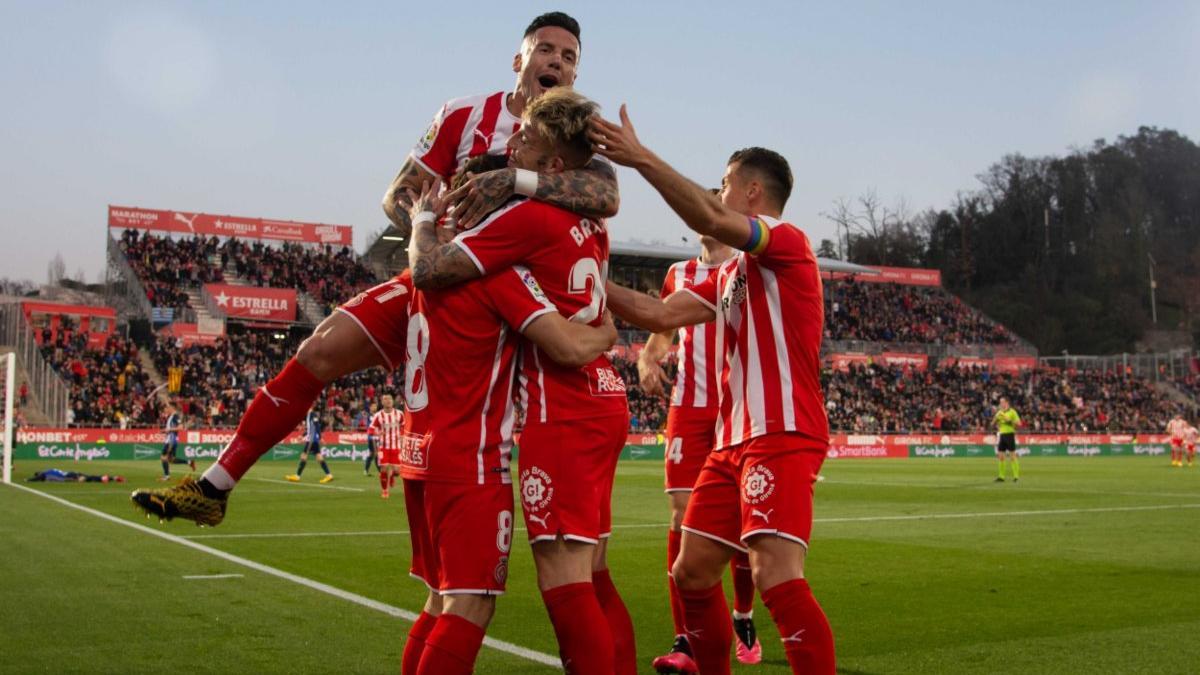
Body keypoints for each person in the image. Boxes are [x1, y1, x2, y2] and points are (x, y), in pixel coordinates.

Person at [132, 10, 617, 527]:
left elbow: (605, 193)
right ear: (520, 59)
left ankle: (493, 576)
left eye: (569, 58)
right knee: (318, 349)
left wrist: (514, 182)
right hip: (442, 274)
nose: (556, 63)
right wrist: (427, 226)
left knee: (468, 448)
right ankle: (215, 485)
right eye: (546, 50)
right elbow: (399, 193)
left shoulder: (575, 131)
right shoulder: (464, 115)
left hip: (515, 295)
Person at [590, 106, 836, 674]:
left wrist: (641, 157)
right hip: (730, 442)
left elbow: (709, 217)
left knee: (776, 573)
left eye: (725, 183)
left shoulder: (787, 242)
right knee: (692, 570)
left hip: (782, 430)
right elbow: (656, 311)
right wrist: (582, 274)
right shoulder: (728, 277)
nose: (718, 192)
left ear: (752, 191)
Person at [407, 89, 636, 674]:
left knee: (564, 579)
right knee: (593, 571)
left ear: (554, 165)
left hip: (560, 405)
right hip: (603, 396)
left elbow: (430, 271)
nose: (513, 141)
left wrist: (424, 220)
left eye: (527, 137)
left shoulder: (528, 215)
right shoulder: (585, 214)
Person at [638, 232, 762, 666]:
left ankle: (743, 615)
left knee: (744, 524)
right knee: (680, 513)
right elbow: (663, 331)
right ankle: (685, 639)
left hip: (738, 406)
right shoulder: (679, 274)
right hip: (688, 407)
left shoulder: (748, 269)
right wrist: (648, 359)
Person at [286, 405, 333, 483]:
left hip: (312, 439)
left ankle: (297, 476)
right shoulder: (308, 415)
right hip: (313, 439)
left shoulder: (313, 415)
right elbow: (309, 429)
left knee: (304, 456)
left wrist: (320, 437)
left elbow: (317, 426)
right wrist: (302, 435)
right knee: (318, 457)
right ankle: (329, 475)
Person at [368, 395, 402, 498]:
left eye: (390, 399)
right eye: (385, 400)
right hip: (383, 445)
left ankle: (391, 475)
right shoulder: (378, 415)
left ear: (393, 401)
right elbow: (370, 430)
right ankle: (385, 490)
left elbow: (405, 424)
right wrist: (377, 433)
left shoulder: (399, 414)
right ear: (382, 403)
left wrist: (403, 435)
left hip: (396, 445)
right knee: (383, 468)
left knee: (397, 471)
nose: (388, 401)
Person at [158, 404, 195, 481]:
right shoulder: (171, 417)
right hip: (171, 439)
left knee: (163, 457)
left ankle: (166, 476)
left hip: (171, 440)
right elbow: (172, 429)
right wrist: (165, 431)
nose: (165, 410)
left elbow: (180, 427)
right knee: (171, 459)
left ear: (172, 408)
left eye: (166, 408)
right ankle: (189, 462)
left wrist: (169, 430)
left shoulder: (175, 416)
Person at [992, 397, 1021, 482]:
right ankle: (1001, 476)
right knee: (1000, 456)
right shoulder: (999, 412)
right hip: (1002, 435)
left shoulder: (1012, 412)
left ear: (1007, 402)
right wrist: (995, 420)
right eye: (1000, 402)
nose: (1001, 403)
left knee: (1012, 456)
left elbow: (1019, 423)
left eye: (1002, 402)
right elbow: (992, 423)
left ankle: (1016, 476)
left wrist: (1010, 420)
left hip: (1010, 435)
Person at [29, 468, 124, 483]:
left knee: (86, 479)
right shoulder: (49, 470)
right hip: (70, 473)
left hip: (69, 476)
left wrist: (28, 480)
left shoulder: (45, 474)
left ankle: (105, 478)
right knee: (89, 477)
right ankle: (113, 478)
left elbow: (38, 478)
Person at [363, 401, 380, 476]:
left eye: (375, 406)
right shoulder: (370, 416)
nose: (374, 407)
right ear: (370, 408)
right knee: (375, 454)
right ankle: (380, 471)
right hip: (372, 437)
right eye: (373, 406)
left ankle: (366, 470)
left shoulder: (378, 415)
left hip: (376, 437)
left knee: (372, 454)